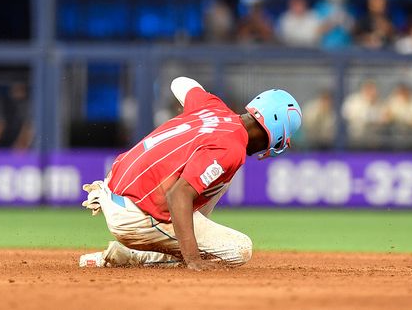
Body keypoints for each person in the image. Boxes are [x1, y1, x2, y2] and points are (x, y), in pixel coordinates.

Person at [78, 76, 302, 271]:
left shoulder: (212, 107)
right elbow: (178, 195)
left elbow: (181, 82)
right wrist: (193, 258)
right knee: (239, 250)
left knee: (219, 178)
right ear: (277, 135)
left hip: (114, 189)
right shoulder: (231, 147)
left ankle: (177, 238)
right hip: (134, 218)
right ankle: (132, 257)